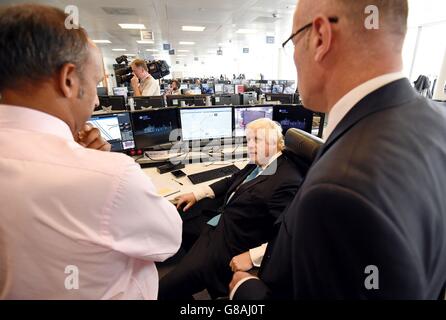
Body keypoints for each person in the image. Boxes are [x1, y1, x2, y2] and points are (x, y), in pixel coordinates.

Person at [230, 0, 446, 300]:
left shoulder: (340, 188)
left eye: (292, 42)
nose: (292, 56)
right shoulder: (438, 123)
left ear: (320, 38)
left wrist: (246, 291)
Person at [0, 4, 182, 299]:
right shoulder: (111, 175)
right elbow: (168, 241)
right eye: (95, 84)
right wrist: (98, 164)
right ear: (68, 79)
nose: (96, 101)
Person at [158, 119, 308, 299]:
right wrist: (198, 194)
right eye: (248, 140)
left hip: (230, 242)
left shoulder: (287, 180)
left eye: (257, 140)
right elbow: (232, 179)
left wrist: (252, 257)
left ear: (275, 141)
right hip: (220, 223)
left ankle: (197, 275)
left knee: (163, 289)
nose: (250, 145)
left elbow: (287, 234)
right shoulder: (260, 161)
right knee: (178, 220)